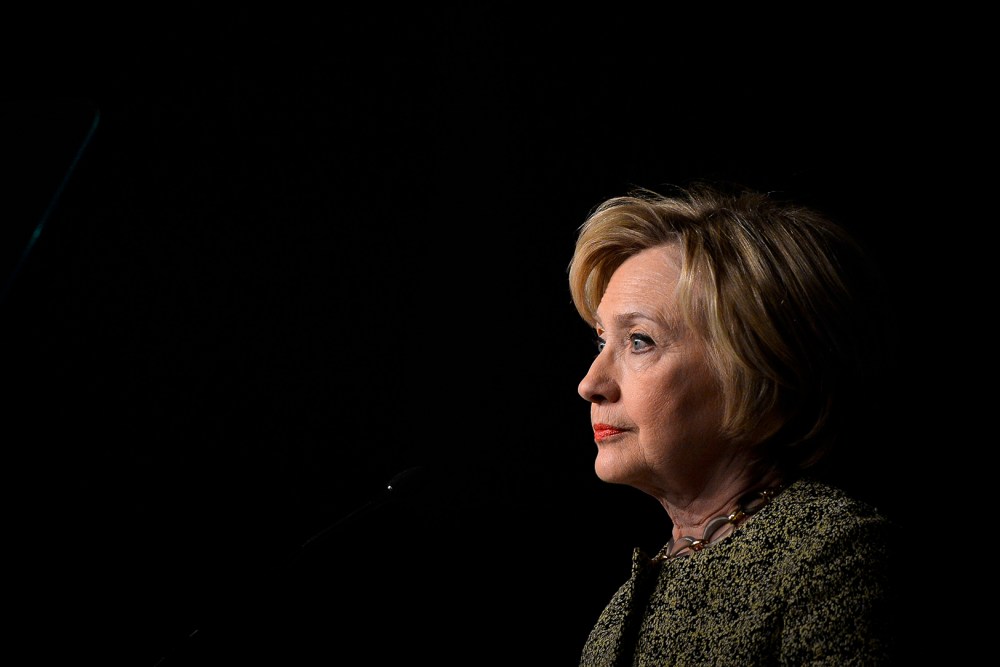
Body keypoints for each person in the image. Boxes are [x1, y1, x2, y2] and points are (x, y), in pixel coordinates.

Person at [568, 181, 899, 665]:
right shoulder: (622, 610)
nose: (590, 383)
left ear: (756, 367)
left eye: (639, 340)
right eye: (602, 342)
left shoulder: (832, 558)